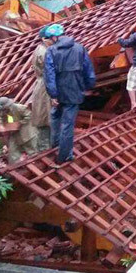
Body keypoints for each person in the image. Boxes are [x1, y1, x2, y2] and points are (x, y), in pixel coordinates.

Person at [43, 23, 96, 166]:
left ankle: (58, 151)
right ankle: (65, 155)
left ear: (54, 37)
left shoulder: (51, 51)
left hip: (59, 92)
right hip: (74, 91)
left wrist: (53, 94)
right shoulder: (80, 48)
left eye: (48, 38)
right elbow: (88, 70)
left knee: (55, 117)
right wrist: (89, 86)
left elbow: (49, 75)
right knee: (67, 124)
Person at [0, 97, 38, 164]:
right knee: (13, 152)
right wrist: (2, 125)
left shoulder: (20, 108)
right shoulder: (3, 112)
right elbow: (2, 118)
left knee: (32, 152)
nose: (3, 111)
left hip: (26, 133)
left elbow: (29, 115)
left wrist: (19, 123)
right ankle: (16, 168)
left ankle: (36, 167)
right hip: (14, 133)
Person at [31, 25, 52, 151]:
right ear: (44, 39)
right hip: (44, 87)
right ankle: (44, 150)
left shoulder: (42, 49)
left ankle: (45, 148)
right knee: (44, 117)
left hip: (43, 84)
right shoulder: (43, 52)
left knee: (45, 116)